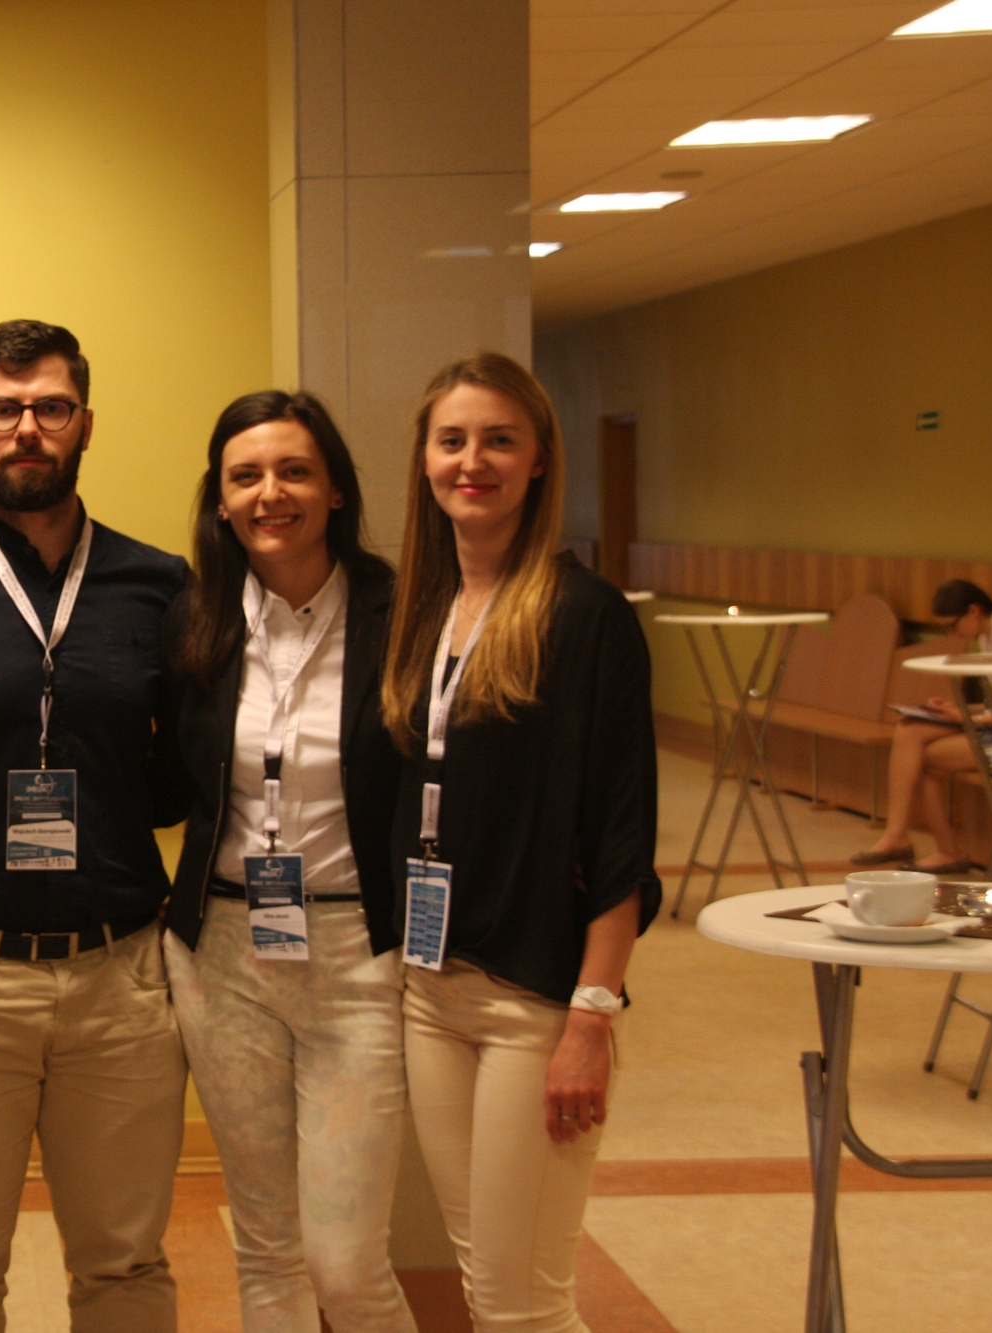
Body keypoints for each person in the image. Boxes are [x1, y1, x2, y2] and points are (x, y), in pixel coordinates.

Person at [0, 320, 191, 1331]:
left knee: (125, 1265)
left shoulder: (158, 585)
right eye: (3, 409)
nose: (27, 428)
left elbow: (179, 777)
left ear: (85, 424)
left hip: (120, 977)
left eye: (50, 407)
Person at [378, 352, 660, 1332]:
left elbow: (622, 837)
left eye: (499, 439)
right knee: (486, 1279)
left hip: (533, 1002)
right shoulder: (422, 611)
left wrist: (591, 1016)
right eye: (451, 440)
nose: (472, 461)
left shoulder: (587, 615)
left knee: (521, 1303)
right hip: (430, 990)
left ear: (539, 458)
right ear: (423, 460)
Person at [161, 391, 414, 1333]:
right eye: (247, 477)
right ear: (221, 500)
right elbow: (168, 780)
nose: (271, 493)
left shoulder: (402, 613)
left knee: (345, 1264)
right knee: (266, 1246)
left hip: (358, 955)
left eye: (295, 471)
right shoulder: (195, 619)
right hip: (223, 957)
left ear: (336, 489)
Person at [853, 578, 992, 875]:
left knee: (919, 759)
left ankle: (945, 850)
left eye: (952, 626)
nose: (952, 634)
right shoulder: (987, 636)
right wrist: (959, 710)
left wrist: (970, 718)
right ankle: (896, 835)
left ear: (974, 611)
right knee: (910, 729)